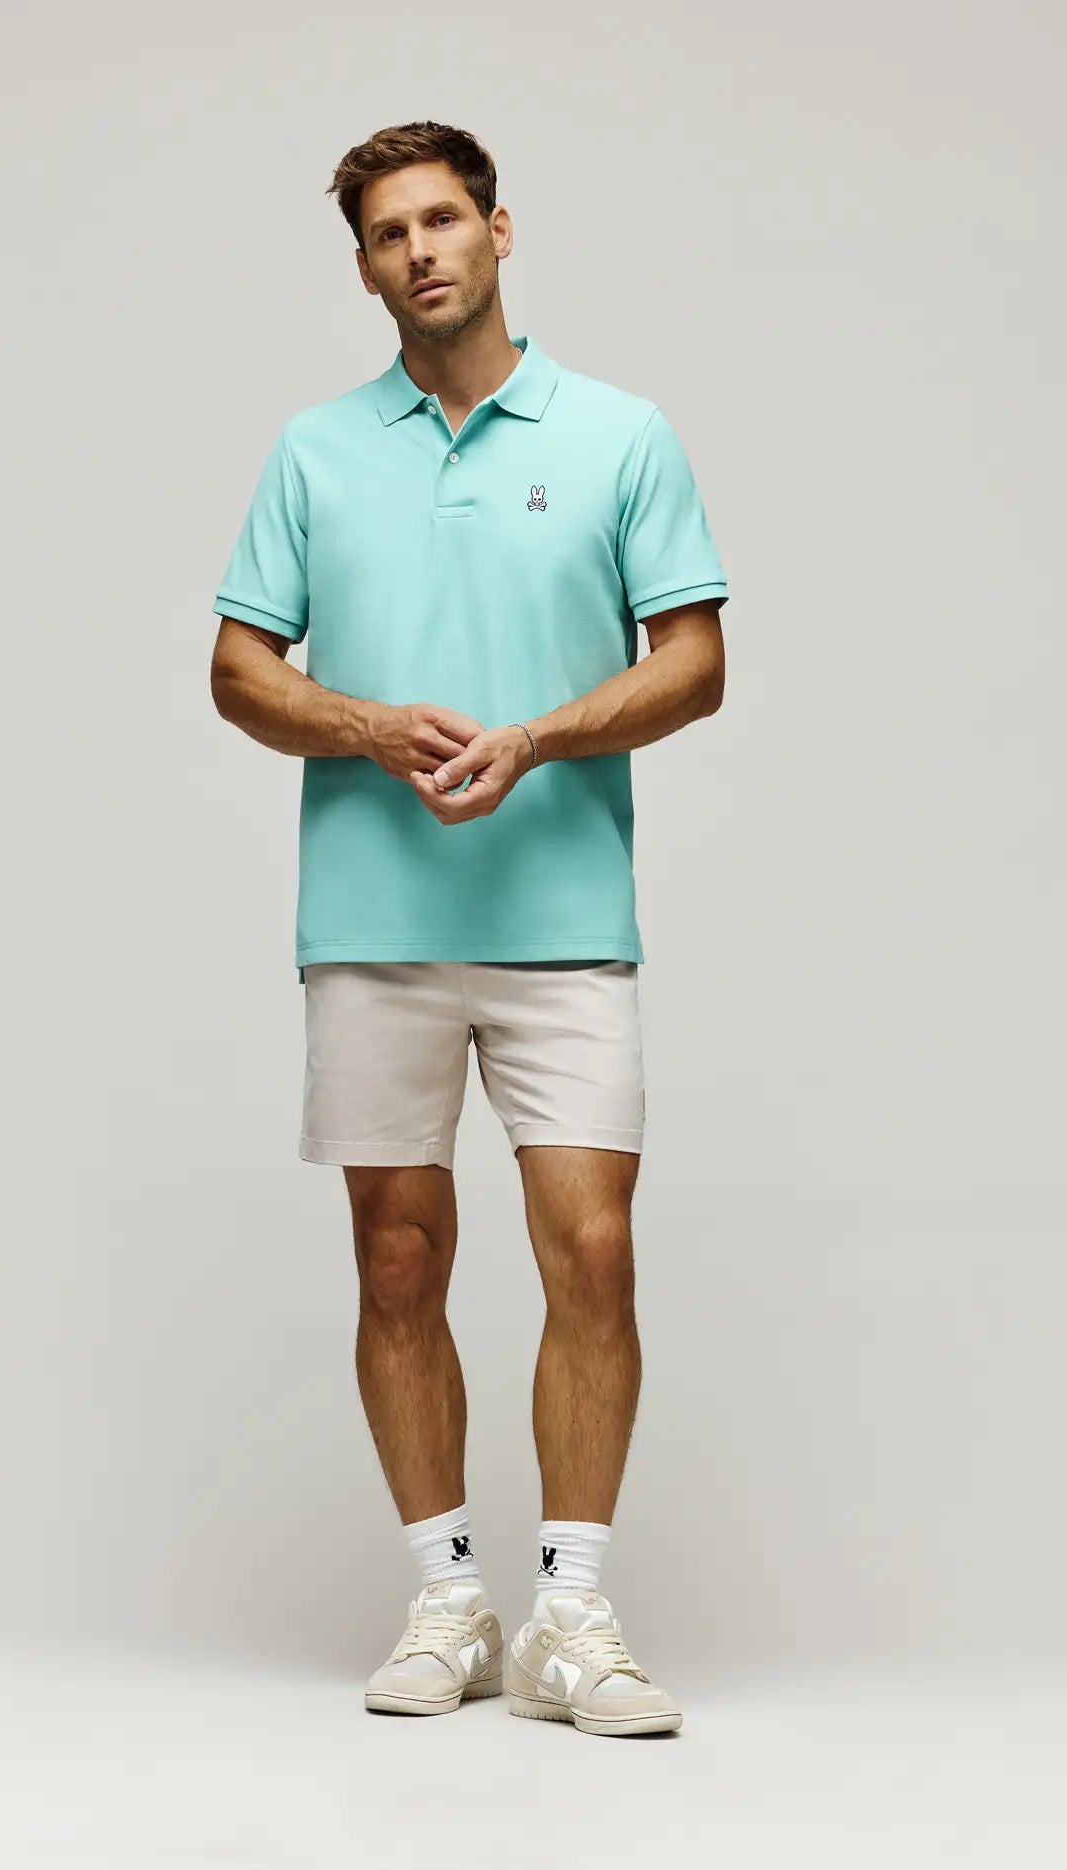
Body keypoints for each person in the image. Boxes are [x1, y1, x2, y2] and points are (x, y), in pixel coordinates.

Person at [209, 120, 727, 1738]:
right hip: (373, 925)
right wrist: (368, 726)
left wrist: (540, 738)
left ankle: (575, 1612)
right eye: (387, 232)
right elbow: (238, 669)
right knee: (397, 1255)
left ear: (501, 231)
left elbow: (695, 660)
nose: (418, 250)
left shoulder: (619, 433)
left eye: (441, 219)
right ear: (364, 266)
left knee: (594, 1248)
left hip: (564, 917)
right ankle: (449, 1595)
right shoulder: (314, 453)